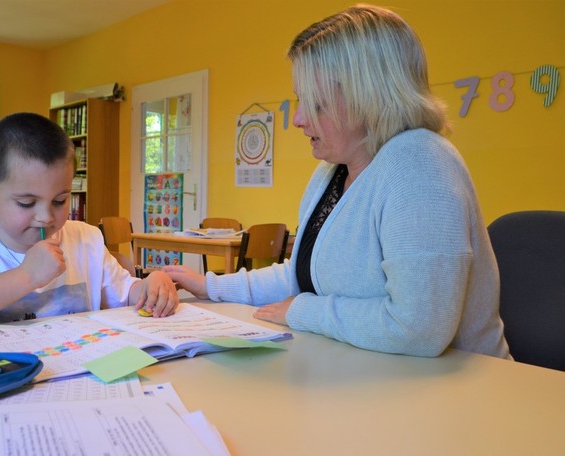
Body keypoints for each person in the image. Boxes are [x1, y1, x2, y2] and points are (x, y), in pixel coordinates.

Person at [165, 5, 510, 359]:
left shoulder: (420, 163)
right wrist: (210, 285)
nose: (298, 119)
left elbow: (418, 329)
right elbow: (301, 276)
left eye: (317, 104)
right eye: (300, 100)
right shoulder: (331, 171)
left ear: (370, 97)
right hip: (373, 372)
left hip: (466, 383)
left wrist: (303, 311)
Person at [0, 112, 179, 336]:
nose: (46, 217)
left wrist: (151, 286)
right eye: (26, 203)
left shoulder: (86, 240)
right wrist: (26, 276)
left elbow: (127, 293)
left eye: (60, 200)